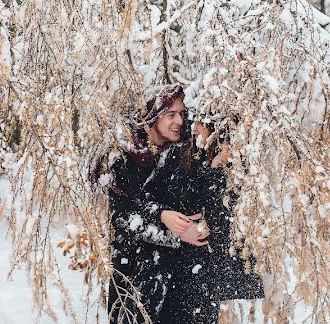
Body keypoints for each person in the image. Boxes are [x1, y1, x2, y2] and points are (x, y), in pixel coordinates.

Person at [92, 84, 208, 323]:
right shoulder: (124, 154)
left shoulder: (181, 152)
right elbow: (121, 216)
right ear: (153, 116)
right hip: (133, 269)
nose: (179, 121)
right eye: (171, 114)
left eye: (182, 114)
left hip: (178, 275)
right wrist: (167, 224)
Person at [139, 112, 263, 324]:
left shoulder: (238, 168)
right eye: (194, 120)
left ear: (219, 129)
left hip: (209, 282)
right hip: (175, 272)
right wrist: (170, 224)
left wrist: (217, 171)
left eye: (202, 124)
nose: (194, 128)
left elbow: (228, 226)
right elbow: (144, 200)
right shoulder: (178, 156)